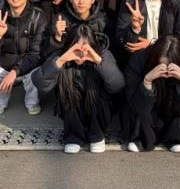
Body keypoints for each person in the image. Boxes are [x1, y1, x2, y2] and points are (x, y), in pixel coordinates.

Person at [32, 24, 125, 154]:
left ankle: (97, 135)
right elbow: (40, 82)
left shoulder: (103, 55)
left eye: (86, 48)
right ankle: (73, 137)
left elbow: (118, 85)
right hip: (72, 109)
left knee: (99, 97)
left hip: (99, 109)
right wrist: (60, 61)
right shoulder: (60, 56)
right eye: (76, 49)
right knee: (68, 95)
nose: (81, 54)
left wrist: (99, 61)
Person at [124, 35, 180, 153]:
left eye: (170, 66)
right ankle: (142, 138)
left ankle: (174, 139)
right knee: (136, 107)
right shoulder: (139, 59)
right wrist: (147, 81)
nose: (166, 71)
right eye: (162, 65)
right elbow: (134, 103)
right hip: (147, 111)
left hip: (170, 108)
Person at [43, 0, 112, 58]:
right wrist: (57, 38)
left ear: (93, 0)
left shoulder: (103, 20)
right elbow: (47, 54)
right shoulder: (60, 20)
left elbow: (110, 50)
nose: (81, 2)